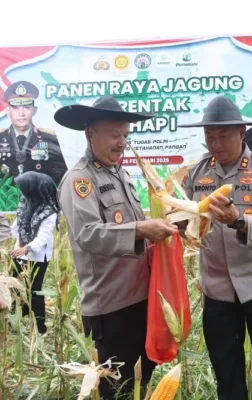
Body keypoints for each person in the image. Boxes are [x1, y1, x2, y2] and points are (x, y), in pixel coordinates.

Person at [53, 96, 179, 399]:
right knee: (118, 389)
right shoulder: (80, 180)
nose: (122, 142)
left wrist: (167, 226)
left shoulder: (120, 174)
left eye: (125, 135)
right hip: (112, 306)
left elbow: (133, 228)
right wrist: (141, 229)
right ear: (90, 134)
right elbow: (89, 234)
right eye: (114, 135)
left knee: (142, 381)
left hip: (141, 297)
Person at [178, 95, 252, 400]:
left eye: (222, 136)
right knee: (226, 369)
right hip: (216, 289)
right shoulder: (195, 173)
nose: (215, 144)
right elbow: (182, 216)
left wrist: (239, 221)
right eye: (209, 136)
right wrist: (179, 223)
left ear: (241, 133)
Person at [9, 171, 60, 335]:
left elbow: (43, 237)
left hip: (37, 257)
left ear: (33, 189)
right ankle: (13, 319)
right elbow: (16, 228)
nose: (22, 191)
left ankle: (40, 328)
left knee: (35, 290)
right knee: (12, 285)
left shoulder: (49, 211)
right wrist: (17, 245)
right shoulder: (26, 203)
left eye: (24, 188)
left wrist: (26, 248)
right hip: (20, 254)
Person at [1, 80, 68, 185]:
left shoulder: (48, 138)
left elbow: (61, 177)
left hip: (39, 198)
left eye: (27, 107)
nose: (21, 113)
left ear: (34, 110)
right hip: (5, 199)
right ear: (8, 112)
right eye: (15, 108)